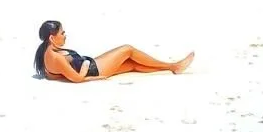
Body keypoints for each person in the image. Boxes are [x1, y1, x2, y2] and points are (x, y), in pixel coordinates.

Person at [33, 20, 192, 82]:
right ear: (52, 38)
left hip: (92, 65)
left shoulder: (47, 50)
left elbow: (53, 74)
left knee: (131, 64)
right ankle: (173, 66)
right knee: (127, 50)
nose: (65, 35)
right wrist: (89, 71)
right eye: (62, 33)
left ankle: (172, 67)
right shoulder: (55, 57)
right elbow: (77, 78)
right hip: (94, 69)